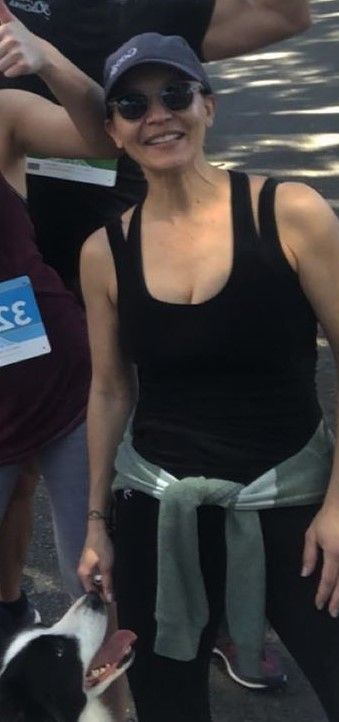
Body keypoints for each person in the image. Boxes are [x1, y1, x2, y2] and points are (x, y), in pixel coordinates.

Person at [78, 32, 339, 722]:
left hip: (296, 501)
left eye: (175, 94)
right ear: (113, 129)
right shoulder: (104, 251)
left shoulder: (289, 212)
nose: (157, 115)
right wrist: (96, 523)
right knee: (168, 708)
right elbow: (110, 388)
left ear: (208, 105)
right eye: (132, 105)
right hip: (159, 512)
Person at [1, 0, 311, 288]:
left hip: (126, 250)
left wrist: (49, 60)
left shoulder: (132, 7)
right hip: (17, 254)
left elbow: (281, 16)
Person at [0, 2, 112, 635]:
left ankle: (115, 690)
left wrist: (49, 60)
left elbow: (106, 138)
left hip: (64, 389)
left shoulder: (4, 115)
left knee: (96, 584)